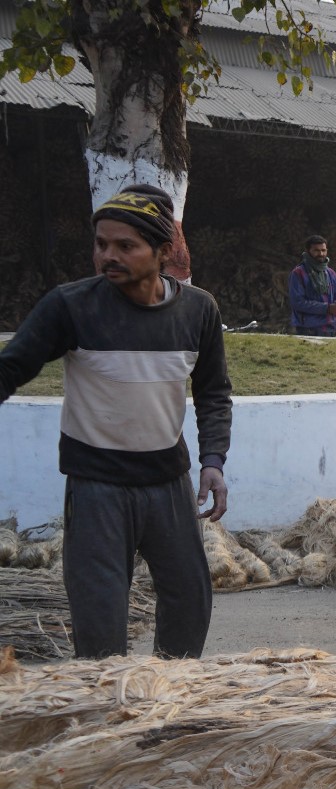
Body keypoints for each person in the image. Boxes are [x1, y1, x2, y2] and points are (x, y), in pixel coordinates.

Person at [0, 184, 231, 659]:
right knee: (100, 623)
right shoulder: (70, 306)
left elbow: (212, 392)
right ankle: (108, 718)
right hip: (97, 487)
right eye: (101, 244)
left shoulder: (198, 310)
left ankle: (167, 707)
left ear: (163, 252)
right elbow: (10, 368)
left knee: (190, 604)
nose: (109, 256)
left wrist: (213, 460)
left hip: (168, 483)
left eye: (125, 246)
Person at [289, 234, 336, 336]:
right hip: (307, 329)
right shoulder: (299, 273)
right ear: (308, 251)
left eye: (323, 250)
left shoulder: (331, 273)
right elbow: (297, 303)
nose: (321, 253)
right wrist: (327, 308)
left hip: (329, 328)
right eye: (316, 250)